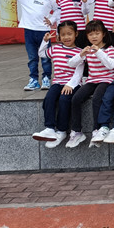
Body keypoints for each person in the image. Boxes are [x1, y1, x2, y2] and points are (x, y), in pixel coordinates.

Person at [31, 20, 83, 148]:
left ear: (76, 34)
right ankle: (49, 128)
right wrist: (45, 41)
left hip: (72, 84)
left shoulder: (80, 52)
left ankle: (61, 131)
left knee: (64, 100)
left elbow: (79, 72)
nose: (66, 37)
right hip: (58, 82)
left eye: (69, 34)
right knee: (49, 99)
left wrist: (70, 85)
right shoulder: (55, 49)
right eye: (63, 34)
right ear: (59, 36)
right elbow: (41, 53)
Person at [66, 20, 114, 148]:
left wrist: (98, 51)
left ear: (103, 34)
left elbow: (111, 65)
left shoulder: (109, 48)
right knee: (76, 98)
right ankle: (77, 131)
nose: (94, 37)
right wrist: (81, 55)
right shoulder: (87, 50)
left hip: (107, 80)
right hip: (92, 80)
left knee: (97, 98)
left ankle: (97, 130)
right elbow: (71, 64)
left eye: (97, 33)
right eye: (90, 34)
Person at [7, 0, 58, 90]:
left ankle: (46, 78)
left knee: (45, 57)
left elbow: (58, 10)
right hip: (29, 31)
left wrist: (51, 20)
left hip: (44, 32)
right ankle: (34, 80)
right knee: (32, 57)